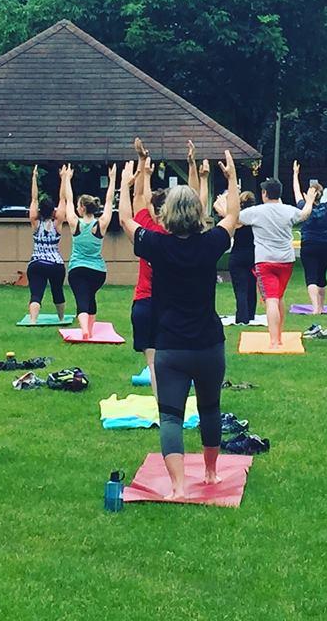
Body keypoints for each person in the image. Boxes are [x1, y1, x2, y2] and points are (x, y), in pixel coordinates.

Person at [118, 149, 240, 500]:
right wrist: (230, 179)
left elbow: (127, 221)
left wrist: (127, 186)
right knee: (210, 408)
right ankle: (212, 473)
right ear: (198, 213)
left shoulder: (156, 244)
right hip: (207, 344)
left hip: (170, 345)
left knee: (171, 416)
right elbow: (232, 215)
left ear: (166, 215)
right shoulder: (211, 243)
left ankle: (177, 485)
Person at [238, 176, 317, 348]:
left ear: (264, 193)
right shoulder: (288, 210)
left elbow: (234, 217)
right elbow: (305, 214)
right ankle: (279, 336)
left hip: (265, 261)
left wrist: (224, 203)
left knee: (271, 300)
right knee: (279, 297)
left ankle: (274, 341)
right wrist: (310, 200)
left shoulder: (256, 212)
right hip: (286, 261)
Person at [129, 137, 169, 396]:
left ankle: (162, 407)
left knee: (154, 363)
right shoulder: (180, 236)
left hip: (145, 302)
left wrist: (143, 166)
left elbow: (138, 199)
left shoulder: (147, 232)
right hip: (172, 305)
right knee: (172, 360)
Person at [63, 163, 116, 340]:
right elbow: (109, 202)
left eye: (79, 206)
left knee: (82, 300)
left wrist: (66, 179)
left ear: (83, 208)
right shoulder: (100, 224)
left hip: (78, 269)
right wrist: (113, 179)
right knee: (90, 296)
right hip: (98, 272)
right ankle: (90, 331)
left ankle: (85, 330)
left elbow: (68, 200)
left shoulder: (74, 223)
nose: (77, 207)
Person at [292, 158, 327, 315]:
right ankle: (321, 307)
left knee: (311, 277)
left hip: (309, 245)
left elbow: (296, 190)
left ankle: (315, 308)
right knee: (321, 276)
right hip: (325, 246)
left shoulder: (304, 208)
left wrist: (295, 174)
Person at [26, 164, 67, 323]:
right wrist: (63, 178)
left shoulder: (36, 223)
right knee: (58, 291)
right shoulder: (57, 224)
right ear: (53, 211)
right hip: (55, 263)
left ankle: (33, 320)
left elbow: (34, 199)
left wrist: (34, 178)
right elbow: (63, 199)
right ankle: (61, 318)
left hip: (36, 262)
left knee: (36, 293)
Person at [227, 192, 258, 324]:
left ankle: (242, 317)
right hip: (253, 254)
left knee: (240, 288)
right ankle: (251, 314)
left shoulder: (237, 218)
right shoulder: (256, 218)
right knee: (252, 286)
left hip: (238, 254)